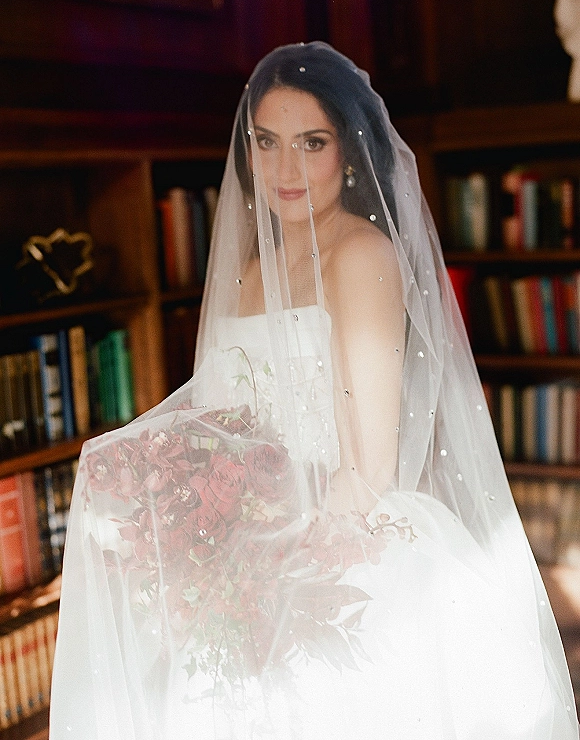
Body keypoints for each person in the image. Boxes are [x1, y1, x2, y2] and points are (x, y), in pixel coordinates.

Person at [50, 42, 579, 739]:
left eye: (312, 142)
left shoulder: (361, 255)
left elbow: (372, 470)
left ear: (352, 150)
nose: (284, 168)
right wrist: (183, 512)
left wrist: (266, 554)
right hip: (253, 545)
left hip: (344, 548)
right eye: (266, 143)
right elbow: (218, 418)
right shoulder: (244, 268)